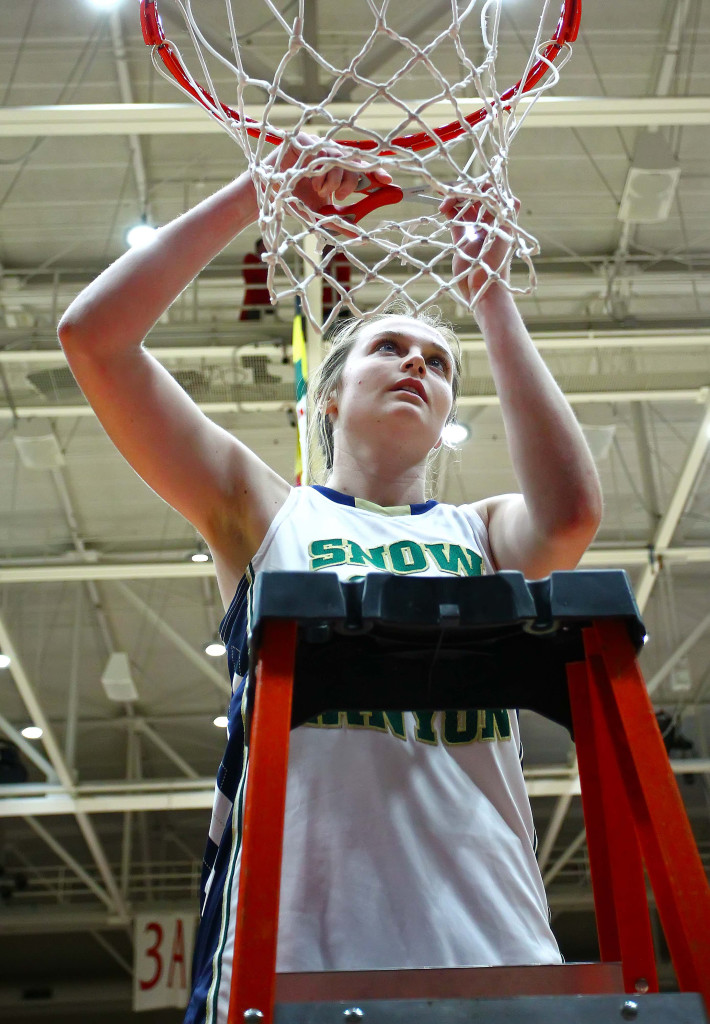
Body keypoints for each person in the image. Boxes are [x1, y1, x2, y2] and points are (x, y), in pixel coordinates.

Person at [58, 137, 602, 1024]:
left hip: (492, 941)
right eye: (390, 348)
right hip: (300, 947)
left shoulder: (481, 531)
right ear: (331, 399)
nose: (419, 366)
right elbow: (93, 338)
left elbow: (574, 514)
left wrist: (492, 299)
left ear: (446, 420)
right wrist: (259, 191)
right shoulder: (265, 511)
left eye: (438, 365)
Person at [239, 238, 271, 320]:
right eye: (264, 246)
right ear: (258, 247)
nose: (266, 249)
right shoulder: (250, 258)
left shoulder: (269, 262)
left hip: (266, 299)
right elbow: (253, 275)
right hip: (253, 300)